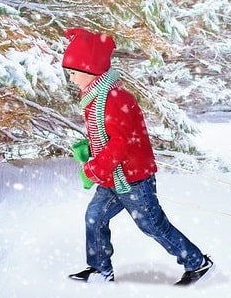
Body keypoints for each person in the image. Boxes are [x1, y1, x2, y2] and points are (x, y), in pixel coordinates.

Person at [62, 27, 213, 285]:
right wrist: (91, 149)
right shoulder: (95, 97)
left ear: (89, 70)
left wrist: (94, 168)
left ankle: (197, 263)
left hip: (133, 178)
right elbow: (107, 137)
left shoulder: (116, 98)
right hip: (113, 178)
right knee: (94, 217)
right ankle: (100, 270)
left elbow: (120, 144)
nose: (72, 78)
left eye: (74, 73)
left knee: (152, 225)